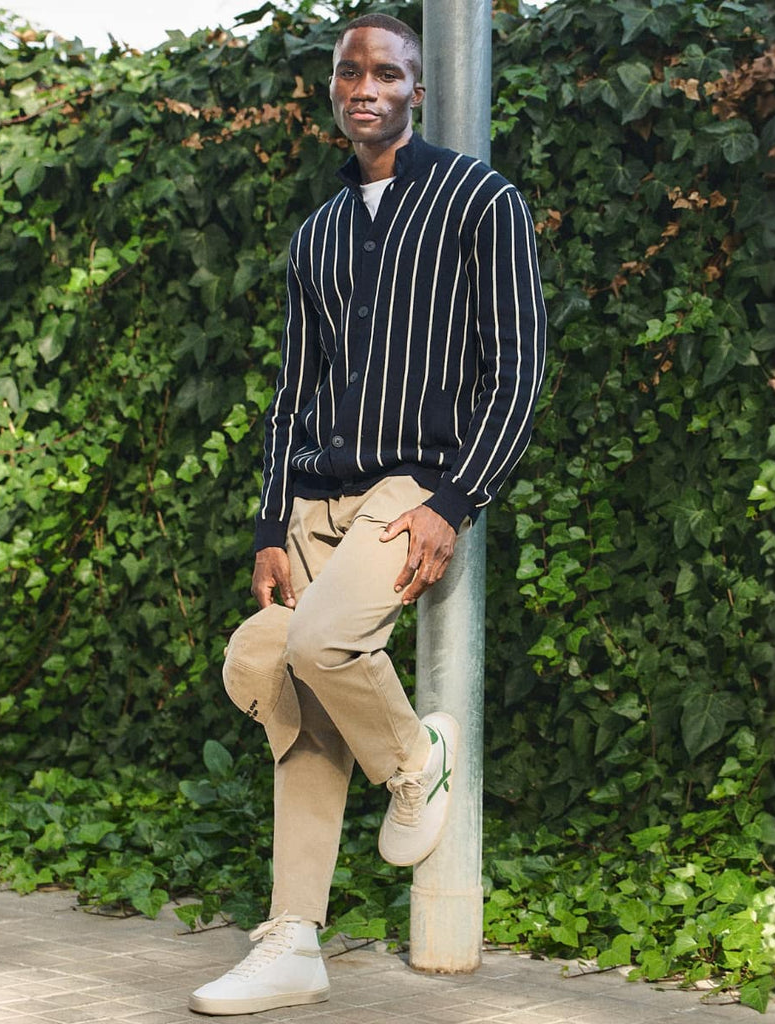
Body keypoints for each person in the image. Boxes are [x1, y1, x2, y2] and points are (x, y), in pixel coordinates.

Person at [189, 13, 546, 1016]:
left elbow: (518, 369)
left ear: (415, 91)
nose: (365, 87)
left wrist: (457, 499)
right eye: (350, 71)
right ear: (333, 89)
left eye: (386, 72)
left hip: (410, 483)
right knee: (284, 690)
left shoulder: (480, 200)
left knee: (321, 644)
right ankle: (293, 941)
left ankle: (414, 762)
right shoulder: (317, 234)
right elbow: (291, 393)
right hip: (314, 492)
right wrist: (270, 526)